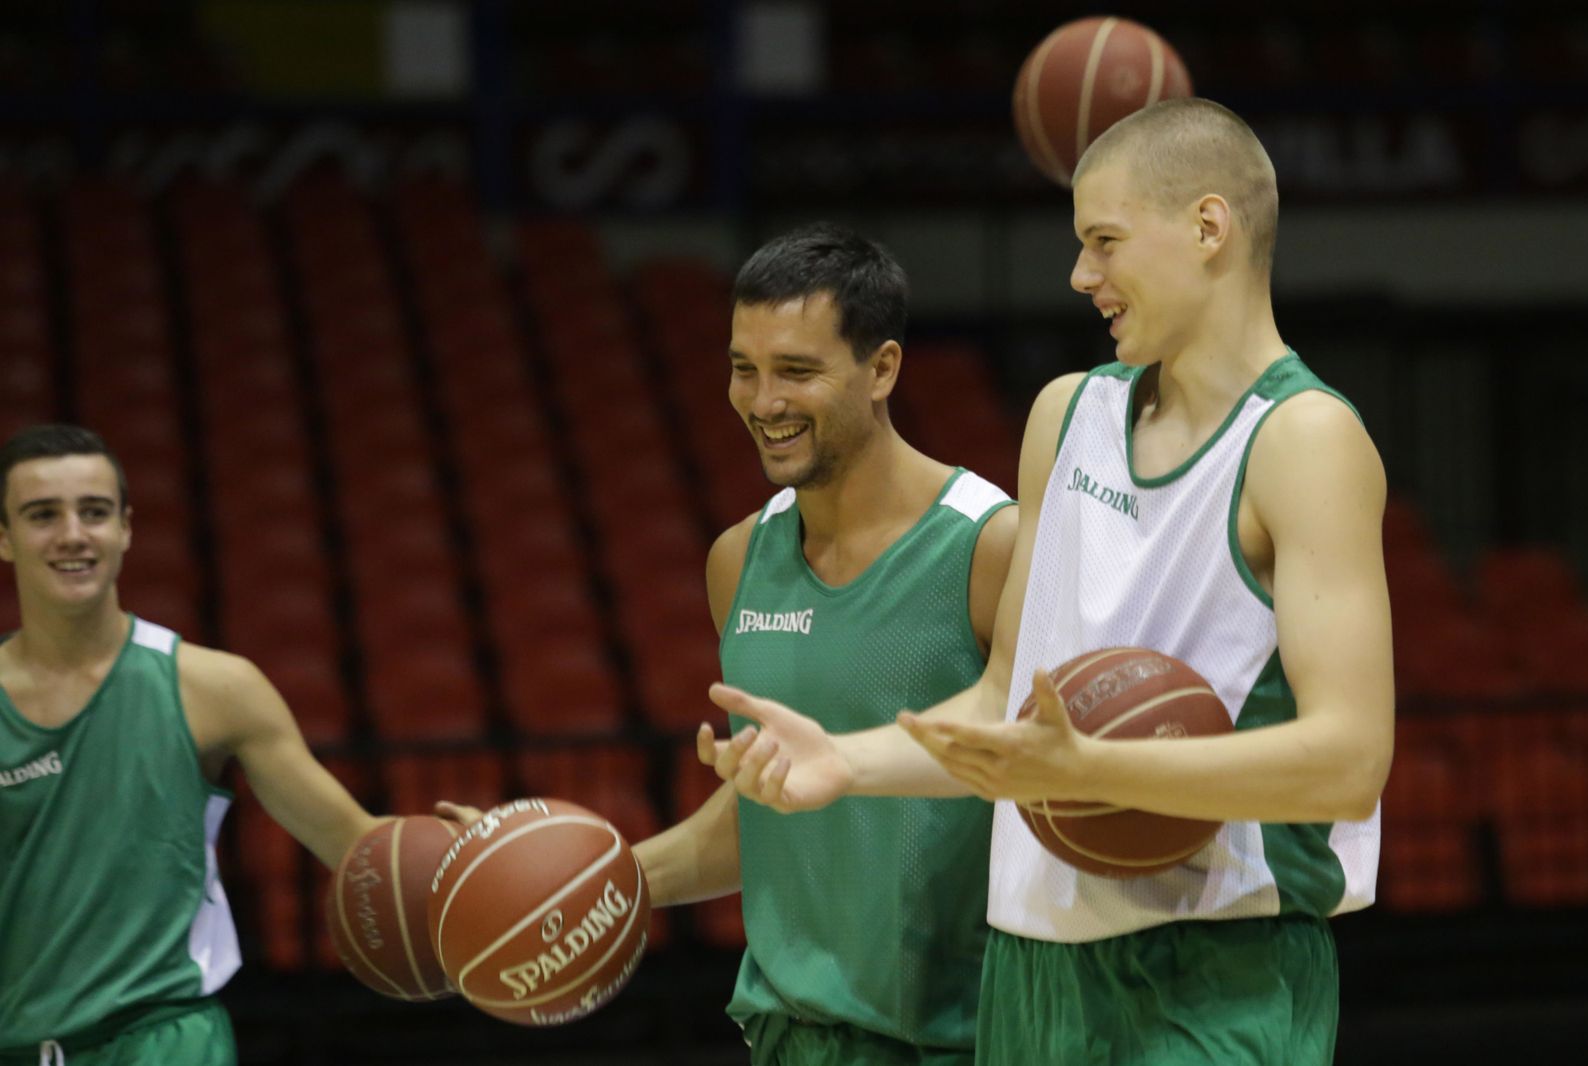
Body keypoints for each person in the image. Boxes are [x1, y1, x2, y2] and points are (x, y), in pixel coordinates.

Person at [703, 99, 1394, 1065]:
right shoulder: (1067, 414)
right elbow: (1005, 705)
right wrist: (846, 764)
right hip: (1029, 971)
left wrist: (1092, 772)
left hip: (1212, 972)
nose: (1080, 275)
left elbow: (1349, 762)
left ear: (1209, 227)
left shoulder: (1305, 439)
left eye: (1104, 242)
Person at [443, 223, 1017, 1064]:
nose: (763, 401)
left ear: (883, 369)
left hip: (963, 1039)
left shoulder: (993, 546)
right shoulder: (738, 560)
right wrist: (554, 882)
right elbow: (762, 818)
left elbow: (1048, 783)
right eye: (745, 369)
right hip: (788, 1039)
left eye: (797, 371)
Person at [0, 425, 382, 1066]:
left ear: (126, 528)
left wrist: (468, 855)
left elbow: (353, 841)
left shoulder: (216, 688)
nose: (72, 534)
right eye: (43, 515)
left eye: (94, 512)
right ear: (4, 537)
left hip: (166, 1040)